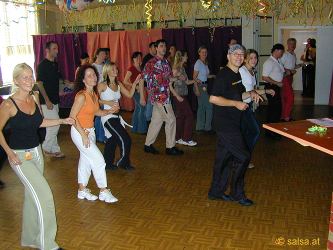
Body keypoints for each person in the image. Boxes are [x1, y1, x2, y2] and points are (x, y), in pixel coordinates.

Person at [0, 63, 74, 249]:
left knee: (32, 197)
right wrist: (9, 153)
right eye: (24, 77)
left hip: (37, 153)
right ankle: (47, 244)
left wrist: (62, 120)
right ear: (16, 80)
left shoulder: (34, 97)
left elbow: (39, 123)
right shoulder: (9, 104)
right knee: (45, 197)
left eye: (30, 76)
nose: (29, 80)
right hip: (19, 157)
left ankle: (30, 238)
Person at [208, 44, 262, 206]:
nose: (239, 57)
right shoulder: (223, 75)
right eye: (235, 54)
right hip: (225, 124)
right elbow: (213, 98)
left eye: (241, 54)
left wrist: (251, 93)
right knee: (243, 156)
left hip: (232, 121)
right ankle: (237, 193)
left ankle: (216, 192)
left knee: (224, 158)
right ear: (228, 56)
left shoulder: (236, 74)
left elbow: (240, 94)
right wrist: (235, 104)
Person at [70, 64, 119, 203]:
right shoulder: (81, 96)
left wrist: (110, 111)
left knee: (85, 161)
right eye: (89, 75)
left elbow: (96, 112)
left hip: (90, 131)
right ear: (83, 80)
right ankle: (103, 190)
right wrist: (83, 135)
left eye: (94, 74)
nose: (93, 77)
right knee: (98, 160)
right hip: (79, 132)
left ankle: (82, 190)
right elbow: (72, 117)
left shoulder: (94, 94)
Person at [143, 39, 183, 156]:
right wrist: (147, 93)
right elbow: (144, 77)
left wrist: (176, 77)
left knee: (156, 121)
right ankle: (170, 147)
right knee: (171, 119)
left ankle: (148, 145)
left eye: (165, 46)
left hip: (165, 95)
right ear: (156, 48)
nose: (164, 48)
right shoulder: (151, 63)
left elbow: (168, 78)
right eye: (161, 46)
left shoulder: (165, 62)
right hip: (159, 97)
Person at [99, 62, 142, 171]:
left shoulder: (118, 84)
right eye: (113, 69)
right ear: (107, 71)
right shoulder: (102, 85)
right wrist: (107, 103)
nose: (116, 70)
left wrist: (134, 84)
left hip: (117, 116)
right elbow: (94, 99)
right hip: (107, 117)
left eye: (116, 68)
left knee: (112, 140)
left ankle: (107, 164)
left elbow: (129, 95)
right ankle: (123, 162)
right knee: (125, 139)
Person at [239, 49, 275, 168]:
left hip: (248, 106)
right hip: (241, 107)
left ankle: (242, 159)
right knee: (254, 131)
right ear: (245, 59)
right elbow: (242, 91)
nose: (254, 60)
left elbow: (252, 90)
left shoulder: (251, 71)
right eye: (252, 58)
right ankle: (243, 158)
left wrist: (265, 91)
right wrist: (257, 93)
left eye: (255, 58)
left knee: (246, 133)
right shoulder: (242, 71)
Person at [37, 41, 69, 158]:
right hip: (47, 102)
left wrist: (65, 86)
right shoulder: (42, 65)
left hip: (55, 100)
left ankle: (55, 149)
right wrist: (47, 100)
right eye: (54, 48)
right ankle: (46, 148)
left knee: (53, 125)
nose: (57, 51)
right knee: (55, 125)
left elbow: (60, 80)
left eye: (57, 48)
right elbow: (39, 84)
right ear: (47, 50)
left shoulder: (55, 64)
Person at [170, 51, 197, 146]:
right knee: (190, 115)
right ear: (181, 57)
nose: (187, 57)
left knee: (180, 117)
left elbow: (187, 82)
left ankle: (177, 138)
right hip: (178, 96)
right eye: (186, 55)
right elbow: (169, 83)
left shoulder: (183, 68)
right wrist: (177, 96)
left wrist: (195, 81)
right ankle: (187, 138)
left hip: (183, 95)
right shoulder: (176, 68)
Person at [262, 43, 285, 137]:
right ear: (276, 51)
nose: (282, 54)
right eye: (281, 52)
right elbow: (264, 77)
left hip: (276, 87)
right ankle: (270, 132)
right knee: (274, 110)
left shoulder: (277, 61)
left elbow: (280, 72)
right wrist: (276, 83)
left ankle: (273, 131)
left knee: (276, 109)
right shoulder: (269, 62)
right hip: (272, 87)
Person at [124, 52, 147, 134]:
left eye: (140, 57)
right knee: (142, 107)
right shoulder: (131, 69)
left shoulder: (141, 68)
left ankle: (134, 128)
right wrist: (135, 85)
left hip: (141, 90)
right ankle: (142, 129)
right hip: (135, 91)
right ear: (133, 59)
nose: (138, 59)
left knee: (138, 109)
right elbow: (125, 81)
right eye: (136, 58)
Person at [280, 38, 302, 121]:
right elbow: (279, 66)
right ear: (287, 44)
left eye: (294, 44)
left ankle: (284, 116)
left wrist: (300, 65)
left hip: (290, 78)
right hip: (284, 77)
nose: (292, 45)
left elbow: (293, 66)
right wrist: (289, 71)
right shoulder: (284, 54)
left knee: (285, 97)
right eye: (290, 44)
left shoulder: (293, 54)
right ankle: (286, 116)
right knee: (290, 97)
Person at [193, 46, 213, 133]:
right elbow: (194, 77)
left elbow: (206, 76)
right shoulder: (198, 63)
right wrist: (197, 89)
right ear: (199, 53)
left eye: (205, 52)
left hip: (204, 86)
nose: (204, 54)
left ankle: (200, 127)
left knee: (201, 107)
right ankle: (207, 128)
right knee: (209, 106)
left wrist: (214, 76)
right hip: (200, 86)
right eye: (202, 52)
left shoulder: (204, 63)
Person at [92, 48, 107, 142]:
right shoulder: (92, 67)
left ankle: (100, 135)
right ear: (96, 55)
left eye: (105, 54)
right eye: (101, 54)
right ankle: (100, 136)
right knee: (99, 115)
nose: (103, 56)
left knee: (101, 115)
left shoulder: (105, 66)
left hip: (105, 94)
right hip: (97, 94)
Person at [141, 41, 157, 123]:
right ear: (150, 48)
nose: (156, 49)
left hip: (154, 83)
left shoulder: (155, 58)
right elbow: (143, 73)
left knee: (152, 101)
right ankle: (147, 120)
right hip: (149, 84)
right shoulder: (147, 58)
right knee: (150, 101)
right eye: (155, 47)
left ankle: (150, 119)